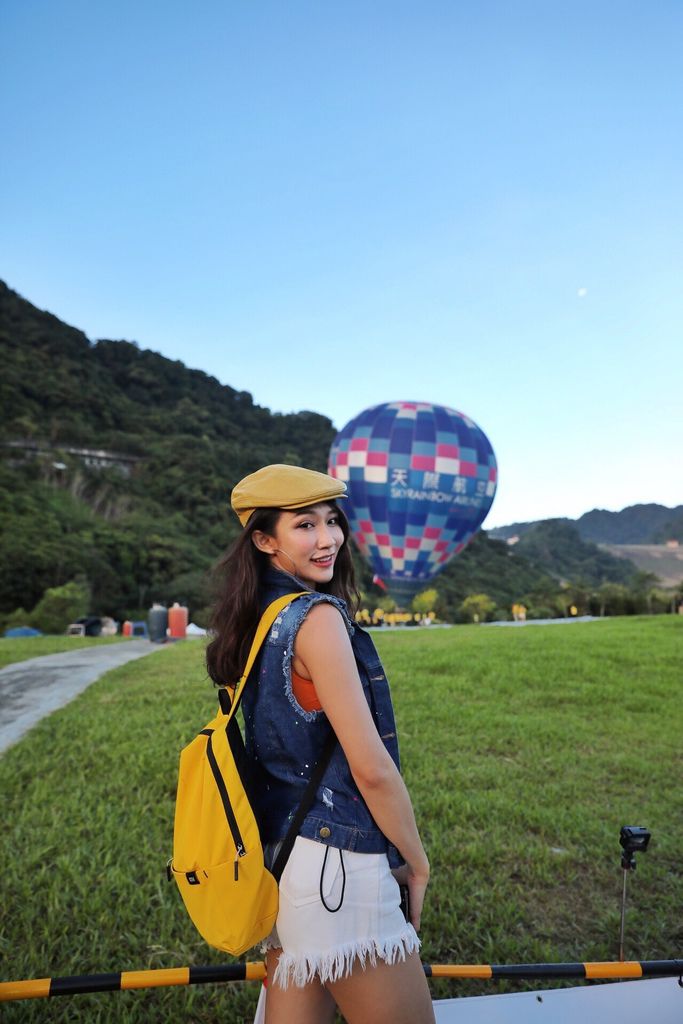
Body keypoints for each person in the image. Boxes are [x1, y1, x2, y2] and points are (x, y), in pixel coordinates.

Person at [206, 464, 434, 1024]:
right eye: (304, 525)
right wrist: (416, 861)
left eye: (332, 520)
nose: (328, 538)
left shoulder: (259, 621)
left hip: (285, 865)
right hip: (340, 870)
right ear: (264, 540)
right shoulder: (318, 619)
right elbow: (371, 767)